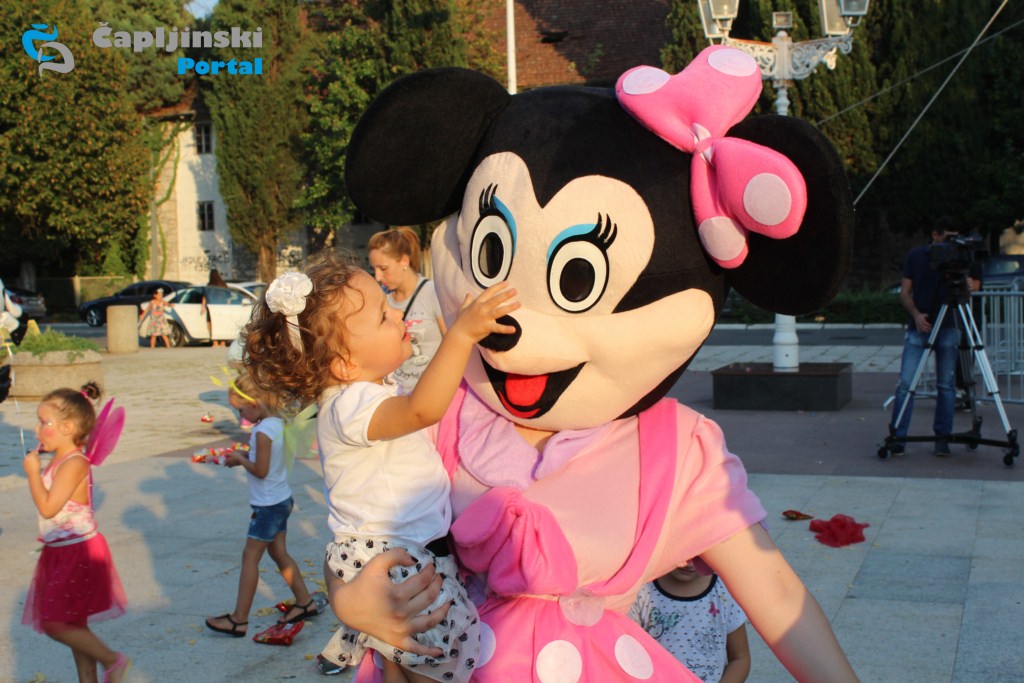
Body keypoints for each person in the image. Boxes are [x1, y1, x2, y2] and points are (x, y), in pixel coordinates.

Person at [242, 250, 518, 683]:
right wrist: (460, 336)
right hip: (396, 561)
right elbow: (423, 409)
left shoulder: (362, 394)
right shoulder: (349, 404)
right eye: (383, 316)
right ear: (345, 364)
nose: (398, 314)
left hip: (395, 556)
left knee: (400, 665)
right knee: (430, 659)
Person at [21, 382, 131, 683]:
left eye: (44, 422)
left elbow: (48, 507)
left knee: (55, 624)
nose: (37, 429)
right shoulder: (59, 460)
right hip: (59, 550)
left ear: (68, 427)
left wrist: (32, 473)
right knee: (74, 624)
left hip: (78, 551)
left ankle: (113, 660)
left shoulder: (75, 463)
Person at [205, 372, 318, 637]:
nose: (241, 417)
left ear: (255, 405)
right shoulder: (276, 424)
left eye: (241, 410)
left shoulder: (261, 432)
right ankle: (305, 602)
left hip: (268, 506)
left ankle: (238, 620)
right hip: (280, 500)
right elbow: (267, 460)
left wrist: (240, 460)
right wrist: (244, 454)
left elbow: (261, 470)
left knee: (249, 558)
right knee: (279, 553)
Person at [891, 216, 981, 456]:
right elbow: (905, 292)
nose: (951, 244)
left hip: (948, 326)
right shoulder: (916, 256)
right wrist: (916, 315)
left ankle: (943, 438)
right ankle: (898, 436)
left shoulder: (959, 258)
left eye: (955, 239)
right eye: (947, 238)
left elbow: (966, 294)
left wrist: (969, 286)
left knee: (946, 386)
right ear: (935, 234)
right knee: (906, 384)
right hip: (919, 327)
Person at [630, 563, 751, 683]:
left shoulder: (723, 591)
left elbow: (740, 659)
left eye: (697, 556)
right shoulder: (641, 591)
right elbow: (629, 656)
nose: (689, 564)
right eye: (683, 553)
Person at [368, 227, 445, 394]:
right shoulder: (381, 299)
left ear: (404, 261)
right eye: (374, 269)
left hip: (431, 396)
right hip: (395, 398)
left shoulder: (434, 293)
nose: (377, 277)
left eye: (383, 268)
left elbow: (452, 346)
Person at [203, 270, 229, 347]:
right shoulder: (223, 285)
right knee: (223, 325)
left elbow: (205, 296)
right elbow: (228, 296)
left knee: (212, 324)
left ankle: (215, 342)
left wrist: (203, 306)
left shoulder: (209, 285)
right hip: (222, 307)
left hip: (212, 307)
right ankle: (223, 342)